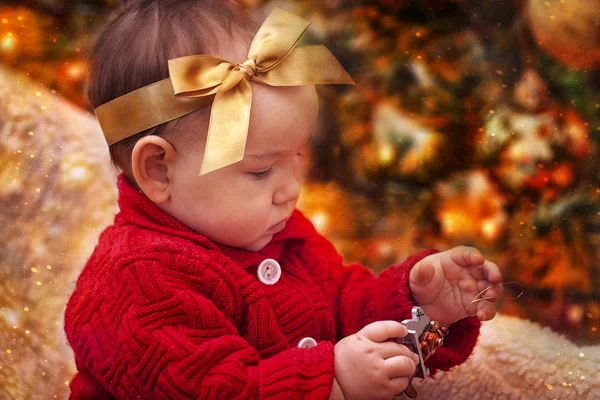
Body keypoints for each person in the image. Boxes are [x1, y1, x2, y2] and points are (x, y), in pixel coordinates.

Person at [63, 1, 503, 399]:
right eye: (260, 170)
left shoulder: (277, 233)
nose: (292, 188)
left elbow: (342, 305)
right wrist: (331, 380)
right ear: (159, 169)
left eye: (296, 156)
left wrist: (419, 305)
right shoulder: (133, 285)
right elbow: (218, 389)